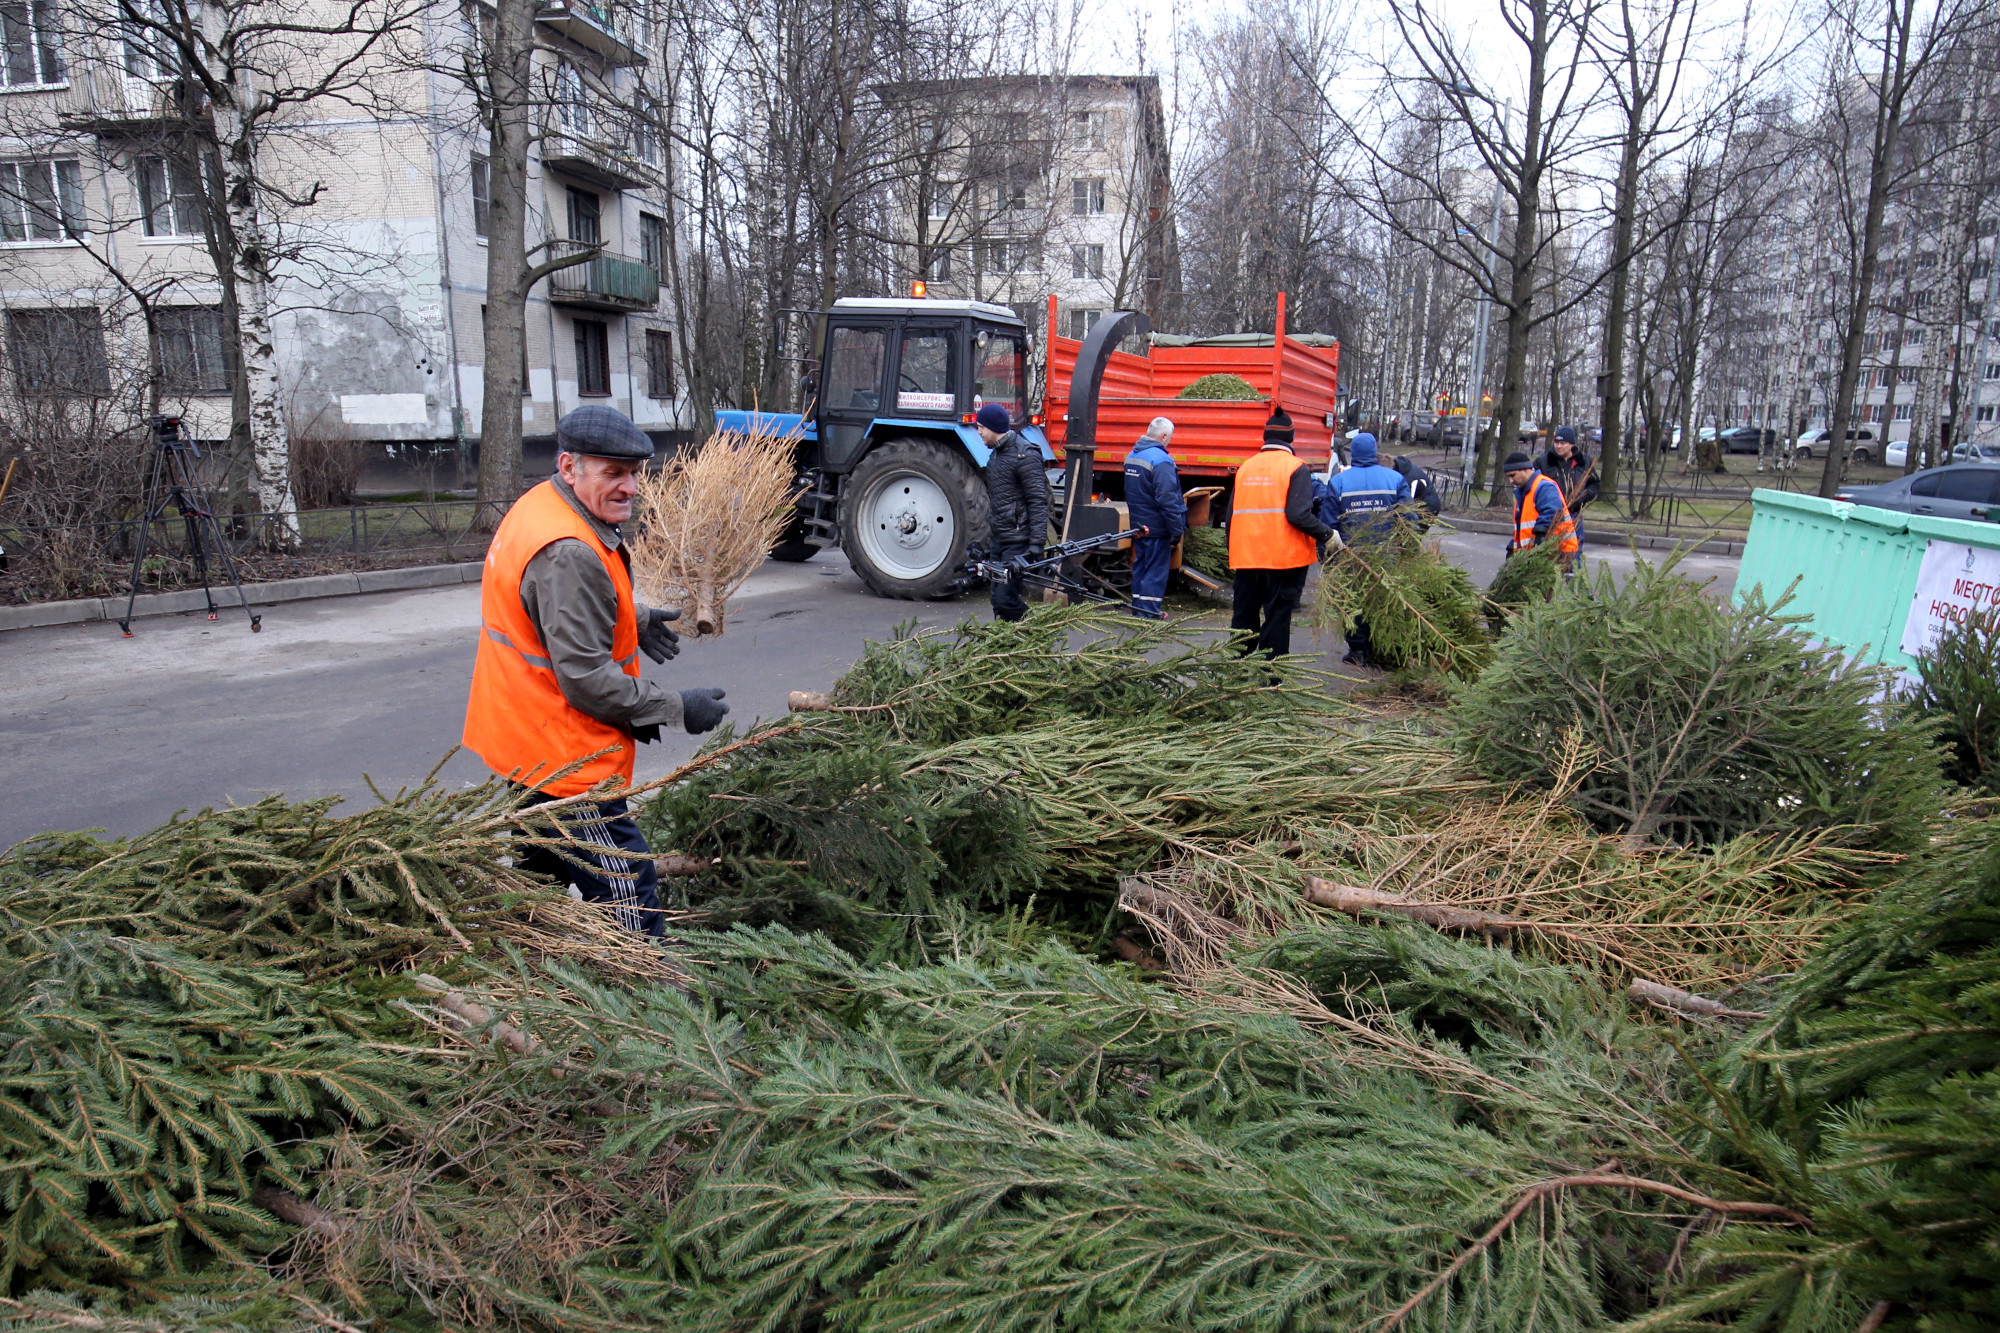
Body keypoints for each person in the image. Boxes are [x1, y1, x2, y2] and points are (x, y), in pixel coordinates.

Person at [462, 405, 732, 940]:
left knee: (538, 877)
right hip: (565, 759)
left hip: (524, 739)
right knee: (627, 889)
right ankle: (651, 1002)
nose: (630, 487)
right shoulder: (568, 551)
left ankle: (525, 974)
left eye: (634, 473)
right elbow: (585, 678)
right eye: (613, 473)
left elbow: (546, 614)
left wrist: (634, 617)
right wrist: (675, 707)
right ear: (570, 467)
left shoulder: (542, 506)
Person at [1228, 407, 1333, 659]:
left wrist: (1232, 549)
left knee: (1244, 615)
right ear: (1291, 438)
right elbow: (1298, 515)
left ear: (1265, 437)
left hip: (1247, 557)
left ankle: (1236, 672)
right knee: (1276, 618)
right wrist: (1328, 535)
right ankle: (1271, 677)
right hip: (1282, 560)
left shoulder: (1245, 468)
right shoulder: (1295, 468)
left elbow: (1232, 515)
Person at [1325, 431, 1413, 667]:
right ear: (1374, 452)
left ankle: (1358, 650)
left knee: (1353, 601)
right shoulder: (1394, 479)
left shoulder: (1339, 482)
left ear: (1353, 455)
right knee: (1384, 599)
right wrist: (1407, 549)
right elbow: (1408, 518)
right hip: (1386, 553)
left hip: (1350, 554)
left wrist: (1328, 557)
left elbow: (1328, 524)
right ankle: (1384, 648)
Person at [976, 402, 1049, 623]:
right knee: (997, 603)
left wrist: (1037, 543)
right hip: (1000, 539)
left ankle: (1039, 628)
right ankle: (1007, 646)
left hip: (1018, 541)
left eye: (981, 427)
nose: (978, 432)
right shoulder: (996, 455)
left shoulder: (1024, 455)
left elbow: (1037, 500)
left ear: (993, 426)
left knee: (1005, 599)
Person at [1122, 416, 1187, 619]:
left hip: (1139, 525)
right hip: (1158, 527)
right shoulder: (1162, 461)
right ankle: (1149, 614)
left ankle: (1139, 610)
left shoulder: (1132, 455)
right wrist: (1177, 529)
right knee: (1155, 571)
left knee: (1141, 566)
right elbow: (1167, 499)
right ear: (1164, 436)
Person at [1502, 450, 1579, 566]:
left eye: (1513, 475)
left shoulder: (1544, 486)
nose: (1511, 481)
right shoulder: (1525, 493)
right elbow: (1525, 527)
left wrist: (1541, 535)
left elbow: (1552, 512)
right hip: (1541, 553)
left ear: (1525, 470)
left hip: (1559, 553)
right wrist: (1514, 545)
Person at [1536, 426, 1599, 546]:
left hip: (1574, 515)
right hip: (1550, 515)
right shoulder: (1543, 462)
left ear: (1572, 445)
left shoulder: (1584, 462)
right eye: (1556, 442)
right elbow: (1534, 485)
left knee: (1574, 552)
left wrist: (1583, 497)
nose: (1558, 446)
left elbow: (1594, 484)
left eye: (1562, 443)